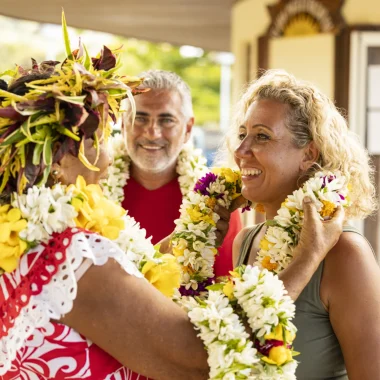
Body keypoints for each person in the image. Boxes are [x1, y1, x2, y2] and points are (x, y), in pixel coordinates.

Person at [0, 50, 347, 379]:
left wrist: (197, 231)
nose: (107, 158)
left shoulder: (20, 239)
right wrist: (307, 257)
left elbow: (135, 278)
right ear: (58, 161)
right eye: (100, 139)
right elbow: (204, 356)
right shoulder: (70, 257)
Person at [231, 70, 380, 379]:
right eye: (242, 134)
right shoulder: (245, 242)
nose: (241, 151)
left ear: (308, 155)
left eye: (262, 136)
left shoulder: (345, 254)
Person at [104, 70, 242, 277]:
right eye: (140, 118)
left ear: (188, 128)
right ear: (123, 124)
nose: (152, 133)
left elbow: (224, 289)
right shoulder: (91, 188)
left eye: (166, 120)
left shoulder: (218, 200)